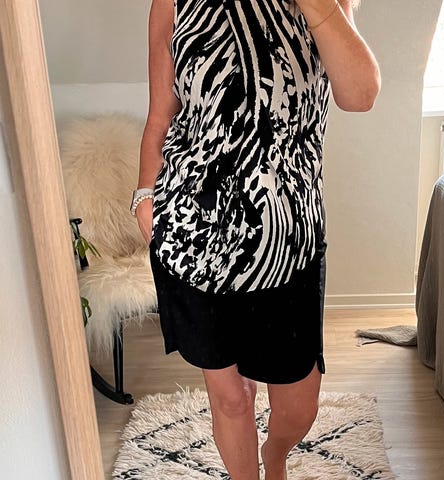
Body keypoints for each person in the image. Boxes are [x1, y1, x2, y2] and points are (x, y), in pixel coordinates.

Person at [131, 0, 380, 478]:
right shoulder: (172, 3)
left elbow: (360, 93)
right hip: (194, 234)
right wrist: (146, 194)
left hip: (287, 241)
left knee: (299, 405)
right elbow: (160, 116)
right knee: (229, 398)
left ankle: (275, 454)